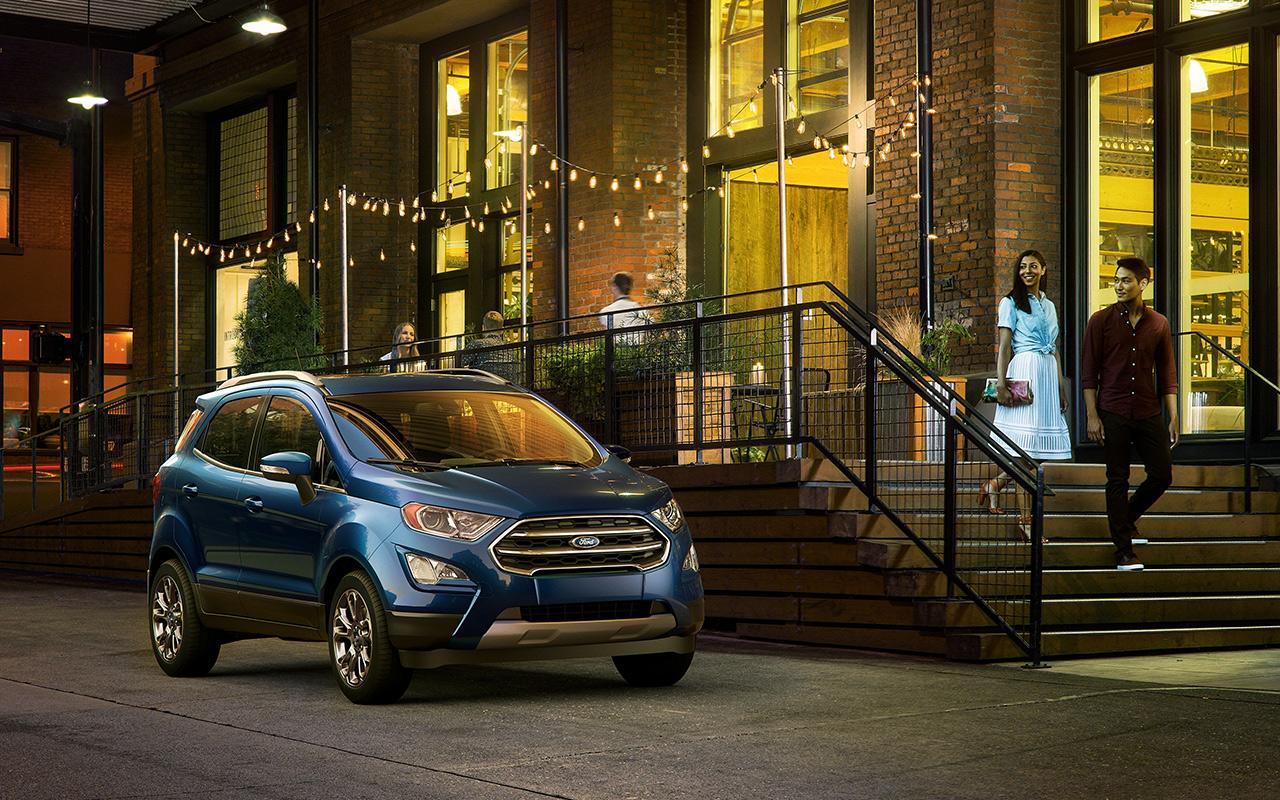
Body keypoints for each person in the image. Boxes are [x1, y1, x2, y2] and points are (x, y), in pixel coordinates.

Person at [1081, 256, 1177, 572]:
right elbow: (1088, 373)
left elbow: (1167, 373)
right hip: (1113, 409)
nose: (1119, 286)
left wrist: (1173, 415)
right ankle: (1123, 551)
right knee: (1117, 477)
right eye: (1116, 280)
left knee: (1162, 474)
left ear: (1142, 284)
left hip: (1149, 410)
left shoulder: (1159, 324)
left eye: (1126, 280)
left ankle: (1126, 517)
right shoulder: (1100, 321)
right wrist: (1092, 416)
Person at [977, 249, 1072, 541]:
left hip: (1045, 375)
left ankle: (995, 485)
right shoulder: (1010, 303)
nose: (1027, 271)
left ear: (1044, 270)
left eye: (1033, 266)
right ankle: (1026, 521)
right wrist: (1002, 384)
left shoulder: (1050, 305)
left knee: (1037, 455)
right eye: (1022, 267)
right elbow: (1005, 346)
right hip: (1024, 370)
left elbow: (1054, 349)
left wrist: (1060, 387)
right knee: (1024, 452)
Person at [461, 311, 521, 382]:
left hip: (483, 384)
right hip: (507, 386)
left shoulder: (476, 344)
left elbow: (460, 362)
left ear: (483, 328)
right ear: (502, 330)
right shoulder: (509, 350)